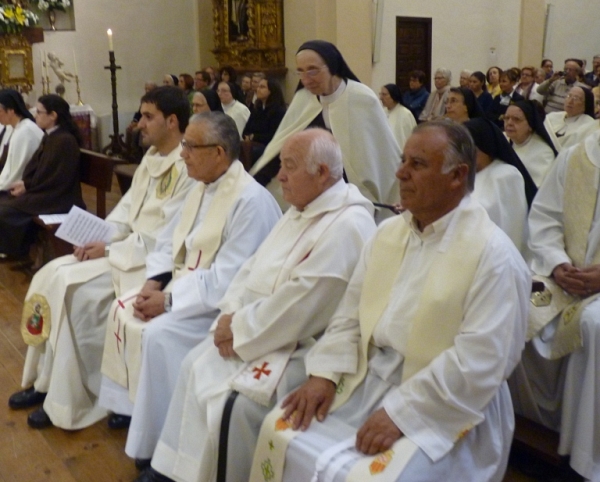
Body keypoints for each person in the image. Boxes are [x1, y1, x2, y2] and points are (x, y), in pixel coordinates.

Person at [250, 120, 529, 482]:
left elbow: (481, 362)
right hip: (367, 378)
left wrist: (403, 413)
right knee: (280, 430)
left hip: (448, 404)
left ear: (458, 176)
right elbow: (349, 315)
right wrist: (324, 374)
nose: (400, 172)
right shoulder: (387, 234)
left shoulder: (494, 257)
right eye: (402, 161)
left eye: (417, 165)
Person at [128, 130, 377, 482]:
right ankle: (176, 468)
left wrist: (240, 329)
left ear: (322, 173)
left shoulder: (347, 224)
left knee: (233, 403)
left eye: (289, 167)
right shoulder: (302, 207)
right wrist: (229, 315)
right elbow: (250, 269)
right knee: (193, 365)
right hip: (255, 328)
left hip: (303, 345)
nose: (280, 176)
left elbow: (303, 305)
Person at [8, 86, 196, 430]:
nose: (138, 124)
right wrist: (100, 236)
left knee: (75, 295)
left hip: (147, 264)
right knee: (48, 276)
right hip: (123, 250)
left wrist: (109, 249)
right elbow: (125, 212)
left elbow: (168, 238)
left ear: (172, 121)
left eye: (147, 116)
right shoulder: (152, 159)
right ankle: (47, 381)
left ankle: (73, 398)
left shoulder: (188, 166)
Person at [98, 112, 281, 428]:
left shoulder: (249, 201)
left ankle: (161, 431)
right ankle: (130, 407)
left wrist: (168, 302)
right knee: (122, 307)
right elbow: (168, 241)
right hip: (186, 290)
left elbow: (230, 279)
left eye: (190, 147)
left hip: (218, 309)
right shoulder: (200, 186)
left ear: (219, 153)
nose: (182, 154)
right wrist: (153, 283)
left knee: (157, 335)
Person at [510, 127, 600, 481]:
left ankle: (585, 456)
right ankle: (522, 426)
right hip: (566, 273)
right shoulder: (578, 156)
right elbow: (544, 217)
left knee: (592, 325)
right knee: (514, 302)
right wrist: (557, 263)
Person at [250, 40, 400, 218]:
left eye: (313, 70)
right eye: (301, 72)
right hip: (314, 198)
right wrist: (255, 184)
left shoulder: (361, 99)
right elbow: (280, 149)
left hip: (356, 202)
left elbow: (383, 158)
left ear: (332, 66)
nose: (306, 80)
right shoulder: (303, 100)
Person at [0, 94, 85, 258]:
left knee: (5, 211)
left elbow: (56, 178)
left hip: (59, 197)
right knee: (6, 203)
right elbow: (39, 168)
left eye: (39, 112)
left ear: (53, 115)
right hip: (47, 192)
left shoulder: (64, 140)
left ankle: (18, 250)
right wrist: (26, 184)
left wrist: (29, 187)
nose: (35, 116)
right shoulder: (52, 135)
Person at [464, 117, 536, 254]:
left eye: (470, 149)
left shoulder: (507, 175)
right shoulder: (465, 174)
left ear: (485, 146)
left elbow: (511, 228)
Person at [505, 100, 557, 187]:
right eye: (506, 118)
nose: (509, 123)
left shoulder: (544, 154)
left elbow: (536, 190)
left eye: (516, 119)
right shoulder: (505, 139)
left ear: (530, 126)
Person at [0, 89, 43, 191]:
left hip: (27, 189)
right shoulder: (15, 128)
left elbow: (16, 174)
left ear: (11, 111)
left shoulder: (25, 132)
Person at [242, 79, 287, 165]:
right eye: (258, 86)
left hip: (270, 148)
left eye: (262, 87)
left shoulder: (278, 111)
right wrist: (249, 137)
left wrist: (253, 137)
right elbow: (246, 130)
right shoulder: (256, 109)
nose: (258, 89)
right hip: (253, 144)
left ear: (271, 91)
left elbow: (273, 135)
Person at [544, 86, 597, 151]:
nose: (570, 101)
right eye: (569, 96)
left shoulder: (589, 125)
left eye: (576, 98)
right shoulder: (552, 116)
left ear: (585, 104)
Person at [379, 84, 416, 150]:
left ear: (393, 96)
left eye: (384, 95)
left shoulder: (405, 114)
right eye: (380, 94)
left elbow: (409, 138)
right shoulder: (382, 112)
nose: (381, 98)